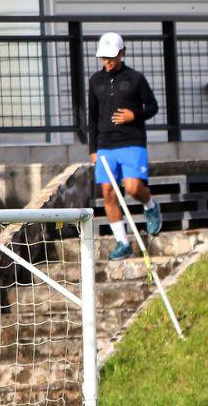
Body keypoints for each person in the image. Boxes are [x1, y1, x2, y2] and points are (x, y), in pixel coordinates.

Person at [88, 32, 161, 261]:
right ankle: (123, 242)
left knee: (132, 187)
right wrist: (93, 149)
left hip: (132, 141)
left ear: (122, 53)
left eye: (111, 57)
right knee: (108, 192)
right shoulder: (95, 81)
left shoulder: (136, 79)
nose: (107, 62)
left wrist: (134, 115)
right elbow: (92, 117)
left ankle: (150, 205)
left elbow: (152, 107)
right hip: (105, 144)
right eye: (103, 58)